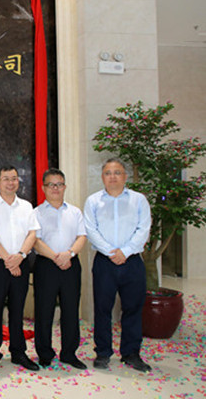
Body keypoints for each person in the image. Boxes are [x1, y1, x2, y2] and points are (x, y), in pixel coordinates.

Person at [84, 158, 152, 372]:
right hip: (105, 262)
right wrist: (111, 252)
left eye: (117, 172)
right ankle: (103, 352)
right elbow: (91, 230)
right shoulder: (93, 201)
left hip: (132, 261)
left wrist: (126, 251)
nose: (112, 177)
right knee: (102, 308)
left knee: (133, 308)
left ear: (125, 176)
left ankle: (131, 353)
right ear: (102, 177)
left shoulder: (139, 200)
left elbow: (143, 229)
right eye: (108, 173)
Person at [0, 165, 40, 374]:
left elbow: (32, 234)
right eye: (6, 179)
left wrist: (20, 256)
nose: (10, 182)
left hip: (20, 261)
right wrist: (8, 260)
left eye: (14, 178)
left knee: (17, 309)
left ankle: (18, 352)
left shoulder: (26, 206)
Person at [33, 168, 87, 369]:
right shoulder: (36, 213)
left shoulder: (75, 212)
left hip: (71, 264)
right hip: (46, 265)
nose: (55, 188)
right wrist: (56, 257)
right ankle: (44, 353)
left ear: (65, 187)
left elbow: (82, 237)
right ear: (43, 188)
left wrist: (69, 254)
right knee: (44, 310)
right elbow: (35, 241)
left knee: (71, 309)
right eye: (51, 184)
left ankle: (69, 353)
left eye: (59, 184)